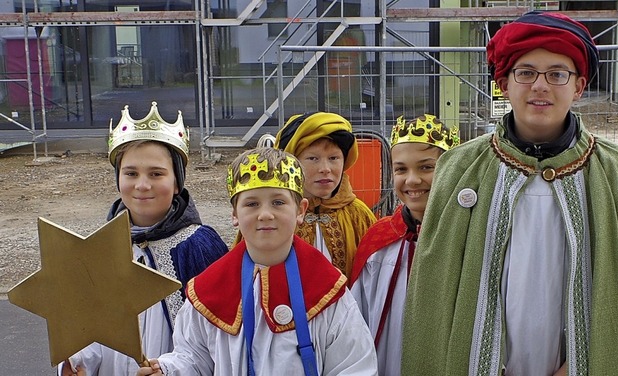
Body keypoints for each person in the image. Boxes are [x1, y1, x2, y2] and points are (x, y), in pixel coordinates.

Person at [402, 11, 618, 376]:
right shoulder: (461, 167)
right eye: (525, 73)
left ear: (578, 86)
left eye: (557, 74)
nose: (540, 86)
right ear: (503, 83)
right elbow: (433, 294)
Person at [137, 147, 378, 375]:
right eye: (252, 204)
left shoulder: (327, 290)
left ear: (300, 210)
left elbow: (354, 364)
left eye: (278, 202)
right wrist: (169, 369)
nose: (265, 214)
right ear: (234, 214)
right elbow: (193, 358)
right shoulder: (208, 291)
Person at [59, 102, 229, 375]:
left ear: (177, 183)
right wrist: (77, 360)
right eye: (131, 173)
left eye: (156, 174)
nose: (142, 185)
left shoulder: (201, 247)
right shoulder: (99, 249)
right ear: (118, 179)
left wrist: (171, 369)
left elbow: (220, 338)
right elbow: (87, 325)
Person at [350, 114, 459, 376]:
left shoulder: (468, 236)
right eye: (401, 169)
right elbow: (355, 318)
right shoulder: (379, 241)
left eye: (426, 167)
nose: (411, 180)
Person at [273, 112, 377, 281]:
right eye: (313, 158)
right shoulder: (273, 214)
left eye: (333, 158)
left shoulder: (359, 216)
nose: (325, 168)